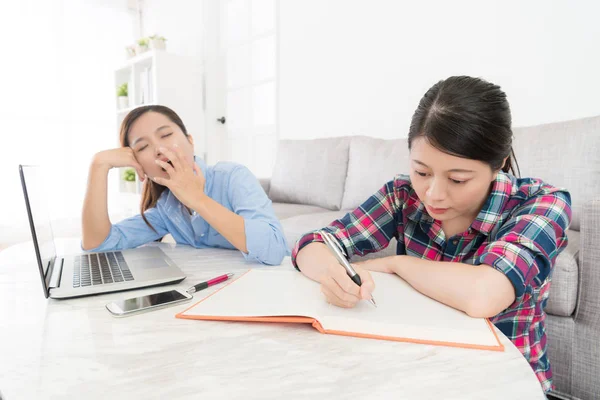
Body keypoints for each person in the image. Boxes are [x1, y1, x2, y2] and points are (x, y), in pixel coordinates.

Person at [292, 76, 571, 393]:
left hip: (502, 384)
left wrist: (396, 265)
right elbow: (313, 244)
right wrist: (334, 274)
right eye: (421, 172)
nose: (433, 194)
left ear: (500, 163)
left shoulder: (544, 204)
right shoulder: (403, 195)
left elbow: (483, 296)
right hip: (419, 373)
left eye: (458, 179)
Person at [82, 105, 288, 265]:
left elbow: (274, 249)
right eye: (143, 147)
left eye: (166, 135)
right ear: (139, 166)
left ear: (190, 141)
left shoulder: (233, 177)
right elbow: (99, 246)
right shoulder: (165, 209)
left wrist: (198, 200)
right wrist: (98, 165)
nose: (159, 149)